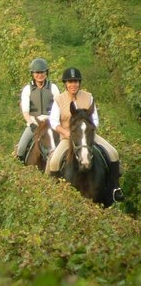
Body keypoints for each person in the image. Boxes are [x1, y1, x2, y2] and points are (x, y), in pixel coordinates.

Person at [47, 67, 125, 201]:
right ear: (65, 83)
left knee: (113, 153)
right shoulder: (59, 100)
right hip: (68, 137)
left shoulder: (88, 97)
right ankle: (54, 195)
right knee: (54, 162)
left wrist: (89, 132)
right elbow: (53, 121)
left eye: (76, 82)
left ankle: (115, 188)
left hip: (88, 135)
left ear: (79, 83)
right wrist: (66, 133)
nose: (73, 85)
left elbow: (95, 119)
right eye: (70, 82)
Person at [16, 58, 60, 162]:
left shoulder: (53, 88)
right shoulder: (27, 89)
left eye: (42, 72)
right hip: (35, 125)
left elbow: (58, 106)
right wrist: (31, 123)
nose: (40, 75)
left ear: (46, 73)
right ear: (33, 74)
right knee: (21, 149)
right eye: (37, 72)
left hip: (51, 124)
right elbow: (25, 110)